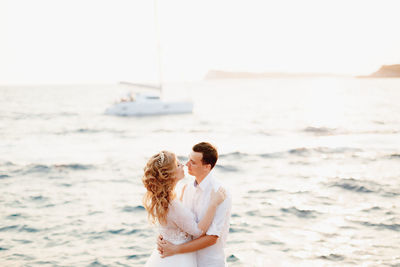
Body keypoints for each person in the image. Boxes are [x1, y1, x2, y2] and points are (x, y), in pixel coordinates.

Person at [142, 150, 226, 267]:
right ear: (169, 174)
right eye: (177, 165)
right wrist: (213, 204)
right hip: (177, 259)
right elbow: (198, 232)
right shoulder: (172, 205)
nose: (183, 165)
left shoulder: (163, 199)